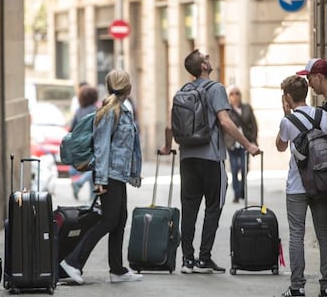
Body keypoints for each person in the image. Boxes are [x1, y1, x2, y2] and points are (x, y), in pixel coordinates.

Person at [159, 49, 260, 275]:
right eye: (206, 57)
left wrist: (167, 147)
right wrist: (248, 145)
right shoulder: (215, 89)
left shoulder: (182, 91)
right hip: (211, 158)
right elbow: (225, 122)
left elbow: (168, 126)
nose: (209, 58)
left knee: (189, 208)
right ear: (203, 66)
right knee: (213, 207)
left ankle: (187, 260)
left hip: (187, 159)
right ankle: (204, 259)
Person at [60, 69, 143, 284]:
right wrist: (100, 181)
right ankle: (72, 262)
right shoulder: (109, 112)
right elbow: (102, 147)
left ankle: (117, 270)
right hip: (108, 174)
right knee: (108, 220)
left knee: (119, 219)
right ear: (127, 87)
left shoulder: (123, 110)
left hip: (118, 174)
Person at [276, 75, 327, 297]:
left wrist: (285, 114)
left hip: (297, 187)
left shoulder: (288, 121)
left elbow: (280, 146)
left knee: (296, 235)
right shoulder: (322, 114)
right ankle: (326, 286)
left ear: (287, 97)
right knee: (324, 235)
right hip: (322, 183)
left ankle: (297, 287)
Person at [224, 85, 258, 203]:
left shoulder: (247, 108)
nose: (235, 96)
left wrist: (253, 140)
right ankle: (236, 193)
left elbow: (253, 125)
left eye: (237, 93)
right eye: (232, 94)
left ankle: (242, 189)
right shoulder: (226, 110)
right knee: (234, 169)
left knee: (244, 168)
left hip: (245, 143)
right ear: (229, 96)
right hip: (232, 144)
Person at [70, 85, 99, 202]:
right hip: (92, 145)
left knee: (93, 169)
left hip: (81, 146)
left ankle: (92, 199)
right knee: (95, 169)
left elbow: (72, 129)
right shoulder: (95, 111)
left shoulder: (78, 111)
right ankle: (80, 183)